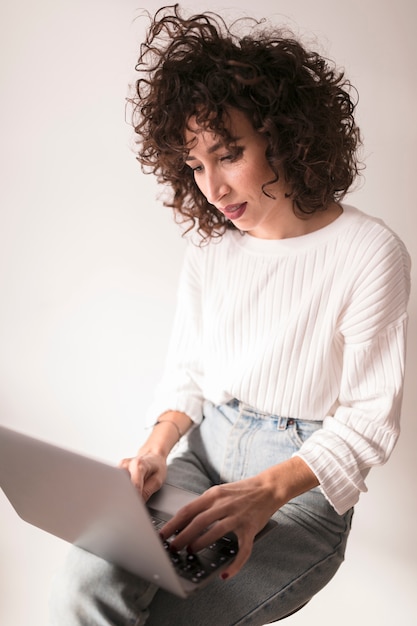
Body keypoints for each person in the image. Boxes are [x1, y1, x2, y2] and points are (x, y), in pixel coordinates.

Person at [50, 4, 411, 625]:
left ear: (285, 134)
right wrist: (155, 449)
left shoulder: (369, 251)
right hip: (204, 453)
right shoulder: (212, 249)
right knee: (88, 577)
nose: (212, 189)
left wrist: (264, 494)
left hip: (299, 489)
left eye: (229, 153)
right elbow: (188, 372)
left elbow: (367, 423)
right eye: (195, 165)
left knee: (169, 617)